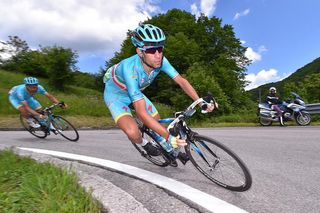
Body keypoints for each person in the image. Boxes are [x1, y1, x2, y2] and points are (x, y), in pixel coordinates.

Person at [103, 23, 214, 164]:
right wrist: (169, 137)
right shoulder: (129, 69)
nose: (158, 55)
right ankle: (144, 144)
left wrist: (199, 101)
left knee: (157, 121)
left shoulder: (161, 61)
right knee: (133, 132)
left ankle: (167, 148)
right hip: (116, 97)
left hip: (136, 93)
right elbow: (141, 113)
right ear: (140, 52)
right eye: (151, 50)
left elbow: (181, 81)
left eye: (160, 49)